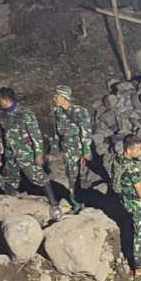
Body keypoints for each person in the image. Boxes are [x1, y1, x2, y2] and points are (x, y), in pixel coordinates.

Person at [0, 87, 60, 222]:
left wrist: (38, 154)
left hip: (26, 153)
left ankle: (54, 206)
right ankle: (9, 207)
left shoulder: (25, 113)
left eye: (0, 99)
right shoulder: (1, 115)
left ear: (6, 100)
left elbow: (36, 135)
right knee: (10, 178)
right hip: (10, 153)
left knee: (39, 177)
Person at [110, 135, 141, 276]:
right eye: (138, 149)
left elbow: (121, 179)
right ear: (130, 150)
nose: (140, 152)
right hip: (137, 205)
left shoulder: (118, 158)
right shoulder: (132, 168)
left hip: (124, 199)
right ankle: (140, 267)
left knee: (134, 228)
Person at [51, 85, 93, 213]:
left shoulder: (80, 112)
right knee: (71, 176)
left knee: (75, 177)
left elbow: (86, 132)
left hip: (78, 150)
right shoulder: (57, 112)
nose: (54, 98)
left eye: (57, 96)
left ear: (64, 98)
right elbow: (56, 133)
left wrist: (86, 151)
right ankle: (77, 202)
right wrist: (54, 150)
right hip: (67, 150)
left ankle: (79, 203)